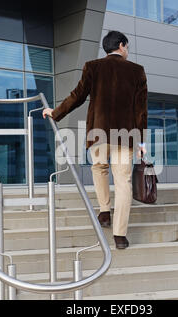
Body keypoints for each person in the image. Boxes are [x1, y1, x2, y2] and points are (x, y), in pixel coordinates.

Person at [43, 30, 148, 249]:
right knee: (123, 182)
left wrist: (56, 112)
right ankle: (120, 235)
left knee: (99, 168)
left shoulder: (93, 67)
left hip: (98, 132)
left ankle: (104, 211)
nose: (127, 51)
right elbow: (141, 110)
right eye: (127, 47)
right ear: (121, 45)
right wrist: (141, 142)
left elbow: (78, 95)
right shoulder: (137, 71)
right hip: (126, 135)